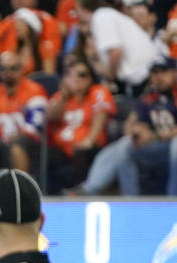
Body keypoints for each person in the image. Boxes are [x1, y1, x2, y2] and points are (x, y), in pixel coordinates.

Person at [74, 57, 177, 197]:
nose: (159, 77)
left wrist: (153, 136)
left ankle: (173, 199)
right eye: (154, 73)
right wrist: (137, 133)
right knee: (123, 146)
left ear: (173, 73)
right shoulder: (149, 97)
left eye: (163, 72)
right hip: (155, 145)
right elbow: (134, 122)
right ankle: (128, 199)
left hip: (170, 144)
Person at [0, 50, 48, 181]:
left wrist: (1, 142)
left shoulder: (35, 91)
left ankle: (21, 189)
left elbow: (34, 128)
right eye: (3, 69)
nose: (8, 73)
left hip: (30, 145)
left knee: (17, 146)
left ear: (21, 70)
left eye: (13, 68)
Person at [46, 57, 114, 192]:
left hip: (89, 149)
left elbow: (100, 115)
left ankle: (78, 195)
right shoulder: (61, 96)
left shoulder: (98, 92)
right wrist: (64, 97)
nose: (76, 79)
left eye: (82, 75)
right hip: (63, 149)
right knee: (44, 154)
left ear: (90, 78)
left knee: (81, 152)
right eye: (71, 74)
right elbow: (50, 117)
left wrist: (89, 140)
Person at [76, 0, 156, 96]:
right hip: (143, 76)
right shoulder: (106, 14)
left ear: (82, 7)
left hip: (145, 77)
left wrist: (109, 78)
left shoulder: (101, 16)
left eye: (76, 9)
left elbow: (115, 52)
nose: (76, 14)